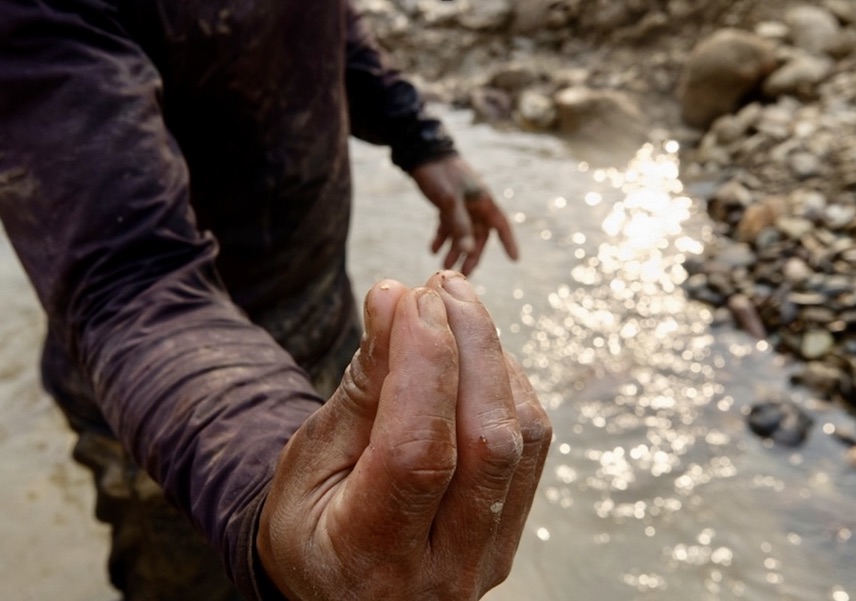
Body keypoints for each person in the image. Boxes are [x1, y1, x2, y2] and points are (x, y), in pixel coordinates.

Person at [0, 1, 551, 600]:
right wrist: (276, 483)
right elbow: (127, 282)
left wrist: (419, 138)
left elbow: (325, 23)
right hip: (169, 417)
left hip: (329, 339)